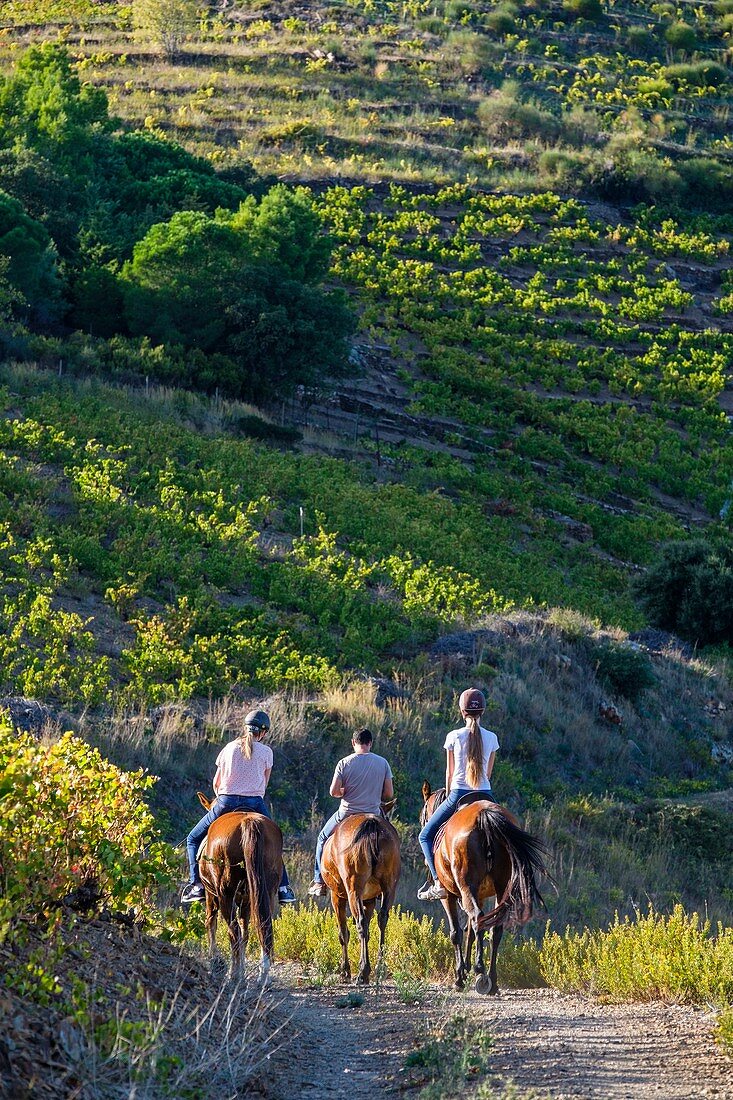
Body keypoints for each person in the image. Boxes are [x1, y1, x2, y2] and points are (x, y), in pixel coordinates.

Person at [181, 709, 297, 905]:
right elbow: (264, 785)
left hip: (226, 802)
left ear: (244, 728)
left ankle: (197, 886)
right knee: (274, 844)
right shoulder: (267, 752)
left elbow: (217, 783)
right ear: (264, 732)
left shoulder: (228, 748)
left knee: (193, 839)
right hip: (255, 804)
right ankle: (284, 888)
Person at [417, 688, 499, 902]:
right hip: (485, 795)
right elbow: (488, 773)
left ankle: (437, 883)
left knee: (425, 835)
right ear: (483, 711)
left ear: (462, 712)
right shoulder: (492, 737)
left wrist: (448, 794)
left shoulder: (453, 736)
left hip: (458, 795)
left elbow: (449, 772)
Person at [307, 728, 394, 898]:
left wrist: (344, 791)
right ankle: (388, 880)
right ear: (370, 743)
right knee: (392, 840)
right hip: (374, 813)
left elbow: (333, 792)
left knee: (322, 838)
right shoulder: (383, 763)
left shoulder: (344, 763)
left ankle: (319, 882)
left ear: (353, 743)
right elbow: (389, 795)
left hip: (347, 813)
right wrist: (376, 793)